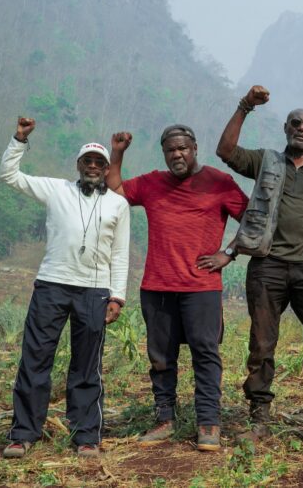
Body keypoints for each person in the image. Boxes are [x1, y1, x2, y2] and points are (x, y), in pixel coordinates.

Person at [106, 125, 248, 452]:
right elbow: (115, 189)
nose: (177, 155)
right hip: (157, 286)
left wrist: (229, 253)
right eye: (170, 150)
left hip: (201, 287)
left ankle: (208, 423)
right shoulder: (153, 182)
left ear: (195, 148)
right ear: (164, 153)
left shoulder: (219, 182)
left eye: (183, 148)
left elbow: (254, 218)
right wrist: (118, 152)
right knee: (161, 358)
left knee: (205, 354)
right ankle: (164, 419)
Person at [216, 85, 303, 440]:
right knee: (261, 341)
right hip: (268, 265)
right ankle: (259, 415)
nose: (301, 129)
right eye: (295, 123)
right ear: (286, 129)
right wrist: (245, 107)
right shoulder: (266, 161)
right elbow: (225, 150)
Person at [0, 117, 130, 459]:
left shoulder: (118, 204)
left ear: (104, 169)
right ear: (78, 165)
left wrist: (117, 295)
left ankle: (86, 436)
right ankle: (23, 433)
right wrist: (19, 140)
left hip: (94, 290)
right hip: (52, 285)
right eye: (87, 160)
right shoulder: (57, 189)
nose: (92, 166)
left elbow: (120, 253)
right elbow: (9, 176)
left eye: (99, 162)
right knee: (35, 360)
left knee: (87, 366)